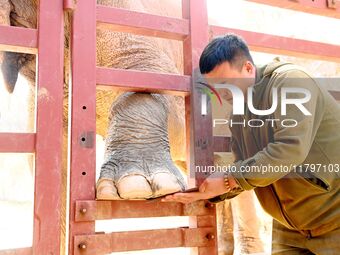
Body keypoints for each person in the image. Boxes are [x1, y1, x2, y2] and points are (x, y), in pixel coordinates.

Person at [162, 33, 340, 255]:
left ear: (248, 68)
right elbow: (248, 168)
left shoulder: (290, 81)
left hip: (334, 219)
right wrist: (209, 192)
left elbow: (289, 149)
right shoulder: (238, 114)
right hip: (290, 229)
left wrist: (229, 179)